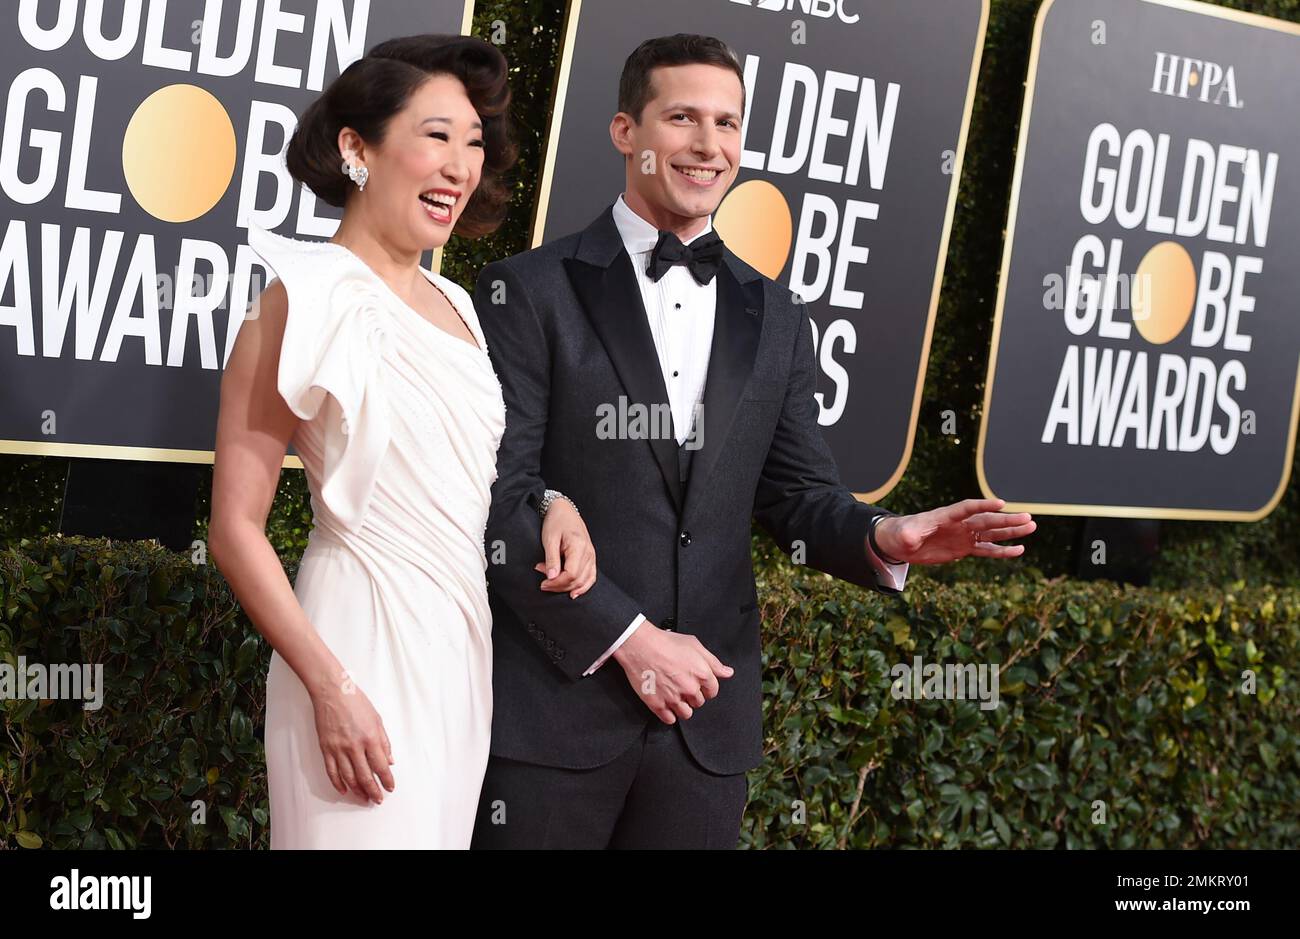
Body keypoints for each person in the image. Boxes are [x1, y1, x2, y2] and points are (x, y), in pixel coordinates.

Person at [470, 33, 1036, 849]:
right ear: (625, 131)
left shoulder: (773, 312)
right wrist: (631, 640)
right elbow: (500, 493)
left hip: (706, 728)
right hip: (557, 716)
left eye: (728, 124)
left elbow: (795, 494)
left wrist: (885, 534)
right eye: (683, 118)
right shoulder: (528, 291)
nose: (709, 146)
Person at [210, 35, 595, 849]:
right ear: (358, 147)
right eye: (435, 135)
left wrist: (554, 503)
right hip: (355, 643)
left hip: (460, 654)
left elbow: (472, 477)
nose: (460, 166)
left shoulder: (459, 303)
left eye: (474, 143)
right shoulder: (300, 296)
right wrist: (331, 686)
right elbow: (236, 527)